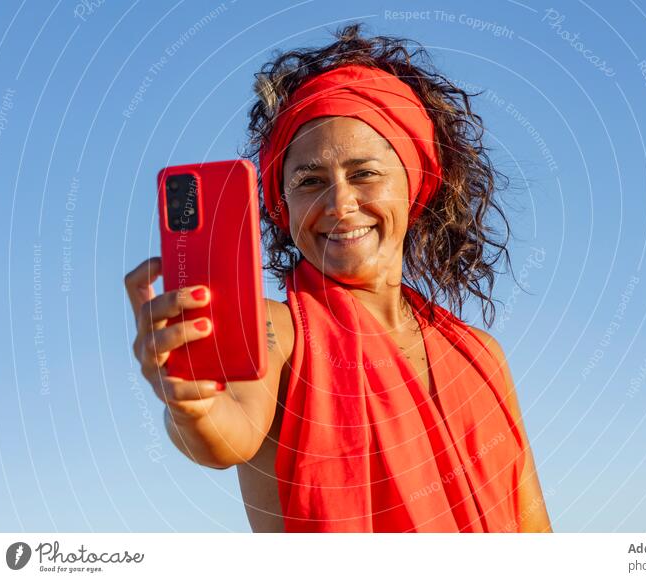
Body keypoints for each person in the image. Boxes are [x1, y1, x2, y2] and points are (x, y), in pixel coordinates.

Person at [124, 23, 551, 533]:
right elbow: (227, 437)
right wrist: (193, 403)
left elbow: (535, 531)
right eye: (309, 181)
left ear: (415, 183)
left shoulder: (480, 356)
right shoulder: (277, 331)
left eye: (365, 173)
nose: (340, 204)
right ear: (283, 204)